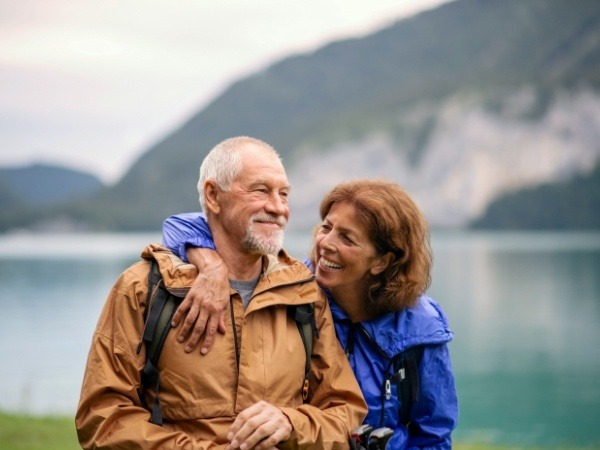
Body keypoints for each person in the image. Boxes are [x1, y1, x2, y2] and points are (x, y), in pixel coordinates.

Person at [76, 136, 367, 450]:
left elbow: (345, 411)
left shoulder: (304, 293)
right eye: (260, 190)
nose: (279, 207)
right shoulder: (143, 288)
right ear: (213, 196)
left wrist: (290, 423)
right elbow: (103, 419)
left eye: (283, 194)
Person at [162, 179, 459, 449]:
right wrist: (210, 264)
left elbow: (433, 434)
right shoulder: (294, 289)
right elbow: (178, 225)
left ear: (382, 261)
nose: (326, 244)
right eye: (326, 227)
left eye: (347, 238)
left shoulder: (420, 328)